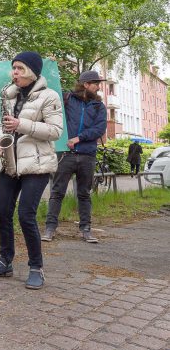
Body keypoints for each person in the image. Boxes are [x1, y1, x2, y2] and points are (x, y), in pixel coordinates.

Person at [0, 51, 63, 290]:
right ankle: (5, 261)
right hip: (11, 162)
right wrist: (0, 141)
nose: (14, 73)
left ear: (31, 71)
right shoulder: (10, 96)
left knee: (26, 215)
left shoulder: (49, 96)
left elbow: (56, 131)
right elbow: (4, 126)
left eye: (19, 68)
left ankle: (36, 267)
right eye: (13, 68)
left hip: (36, 165)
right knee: (2, 212)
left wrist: (22, 125)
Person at [41, 70, 107, 244]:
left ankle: (86, 229)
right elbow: (49, 89)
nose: (98, 87)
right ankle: (50, 228)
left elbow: (99, 129)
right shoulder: (67, 99)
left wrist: (79, 138)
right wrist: (49, 67)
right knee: (57, 192)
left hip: (87, 155)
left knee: (84, 193)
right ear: (86, 84)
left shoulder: (99, 106)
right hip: (65, 155)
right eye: (96, 83)